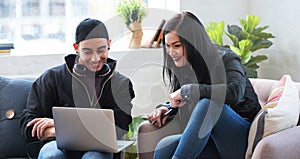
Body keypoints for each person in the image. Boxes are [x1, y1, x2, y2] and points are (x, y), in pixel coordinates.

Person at [146, 12, 261, 159]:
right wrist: (168, 107)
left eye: (176, 46)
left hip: (240, 140)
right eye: (167, 46)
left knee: (208, 104)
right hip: (211, 140)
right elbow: (190, 103)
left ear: (194, 43)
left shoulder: (226, 58)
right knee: (164, 146)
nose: (171, 52)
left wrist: (187, 91)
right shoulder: (186, 67)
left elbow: (234, 92)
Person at [20, 18, 135, 159]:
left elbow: (119, 127)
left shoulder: (121, 83)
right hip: (56, 144)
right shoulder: (51, 78)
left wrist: (59, 128)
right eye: (87, 52)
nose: (95, 58)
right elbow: (29, 125)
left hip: (99, 147)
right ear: (76, 48)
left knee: (94, 157)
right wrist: (62, 132)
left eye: (101, 50)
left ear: (109, 44)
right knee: (51, 156)